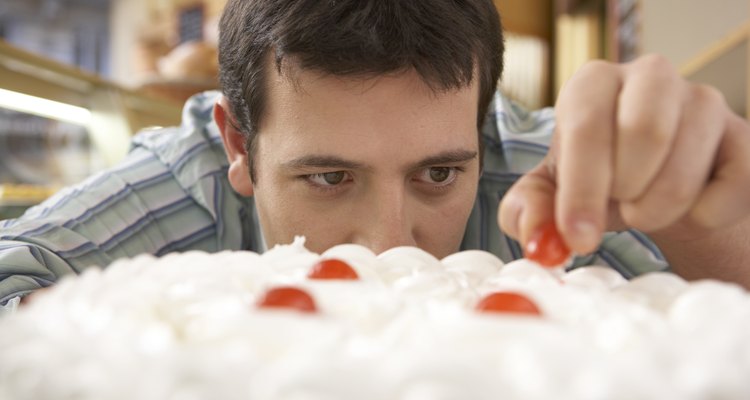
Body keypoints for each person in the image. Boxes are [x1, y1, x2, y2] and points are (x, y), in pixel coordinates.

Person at [1, 0, 749, 304]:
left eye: (437, 174)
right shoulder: (185, 179)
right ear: (238, 144)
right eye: (328, 177)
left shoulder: (551, 176)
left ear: (482, 128)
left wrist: (703, 223)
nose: (389, 245)